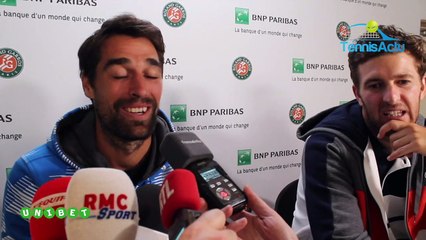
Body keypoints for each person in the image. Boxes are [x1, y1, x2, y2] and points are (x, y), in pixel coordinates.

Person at [1, 14, 174, 239]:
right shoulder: (33, 175)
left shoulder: (186, 167)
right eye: (120, 74)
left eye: (152, 75)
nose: (140, 89)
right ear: (88, 84)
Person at [292, 25, 426, 239]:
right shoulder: (328, 146)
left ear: (422, 87)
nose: (392, 97)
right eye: (375, 85)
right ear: (358, 94)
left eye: (403, 82)